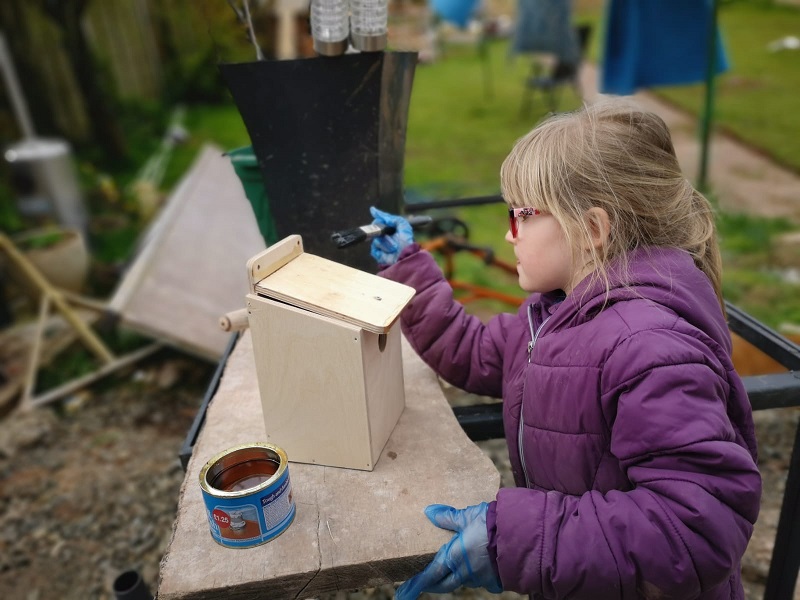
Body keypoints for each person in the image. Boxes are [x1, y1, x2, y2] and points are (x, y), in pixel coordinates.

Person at [368, 98, 762, 600]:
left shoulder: (651, 348)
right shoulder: (554, 315)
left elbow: (696, 530)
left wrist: (521, 539)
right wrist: (408, 267)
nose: (508, 234)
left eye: (523, 215)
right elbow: (474, 351)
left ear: (592, 230)